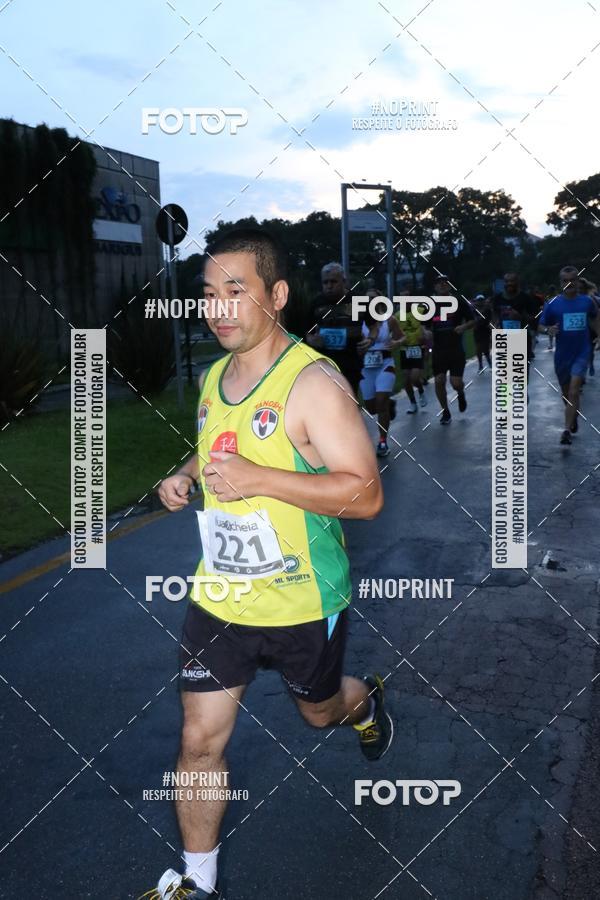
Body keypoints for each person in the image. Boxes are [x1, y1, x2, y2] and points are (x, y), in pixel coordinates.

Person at [153, 228, 391, 900]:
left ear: (276, 296)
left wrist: (261, 478)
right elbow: (217, 446)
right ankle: (197, 883)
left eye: (237, 291)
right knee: (199, 740)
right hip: (221, 598)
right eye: (208, 293)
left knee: (319, 715)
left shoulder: (314, 384)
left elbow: (366, 493)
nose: (219, 307)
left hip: (302, 601)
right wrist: (185, 473)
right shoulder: (212, 377)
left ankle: (366, 700)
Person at [539, 265, 600, 445]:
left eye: (572, 280)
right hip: (562, 356)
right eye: (565, 281)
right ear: (560, 283)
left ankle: (565, 430)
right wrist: (547, 329)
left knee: (574, 390)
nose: (569, 284)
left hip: (582, 352)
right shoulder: (552, 304)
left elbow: (596, 317)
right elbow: (540, 325)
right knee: (567, 394)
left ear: (577, 281)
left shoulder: (587, 302)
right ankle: (572, 417)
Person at [305, 262, 364, 395]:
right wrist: (311, 340)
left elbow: (374, 326)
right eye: (325, 282)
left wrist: (370, 339)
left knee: (348, 400)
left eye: (333, 281)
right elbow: (307, 331)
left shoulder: (357, 301)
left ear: (344, 281)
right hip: (325, 363)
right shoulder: (316, 303)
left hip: (351, 363)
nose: (329, 286)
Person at [357, 307, 405, 456]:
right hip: (366, 368)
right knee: (372, 408)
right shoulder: (358, 321)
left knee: (381, 400)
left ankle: (382, 441)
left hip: (385, 364)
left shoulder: (389, 320)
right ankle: (389, 404)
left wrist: (397, 343)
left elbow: (402, 337)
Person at [429, 274, 475, 424]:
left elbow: (472, 320)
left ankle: (460, 393)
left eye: (445, 282)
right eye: (439, 283)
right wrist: (425, 332)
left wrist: (463, 326)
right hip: (438, 349)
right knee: (439, 380)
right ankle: (445, 412)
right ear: (435, 287)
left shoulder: (459, 302)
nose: (442, 285)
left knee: (455, 383)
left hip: (455, 348)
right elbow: (424, 325)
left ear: (449, 286)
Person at [490, 273, 538, 373]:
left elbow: (534, 318)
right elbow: (494, 314)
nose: (509, 283)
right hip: (503, 340)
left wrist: (520, 317)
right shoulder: (498, 298)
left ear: (517, 282)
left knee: (520, 375)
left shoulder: (525, 298)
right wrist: (495, 324)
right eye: (507, 281)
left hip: (522, 339)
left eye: (512, 281)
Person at [397, 300, 428, 412]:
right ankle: (413, 403)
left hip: (417, 348)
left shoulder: (421, 311)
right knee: (406, 380)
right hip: (404, 350)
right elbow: (395, 332)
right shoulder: (397, 316)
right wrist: (398, 340)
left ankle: (420, 391)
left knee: (414, 378)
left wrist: (424, 335)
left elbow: (427, 326)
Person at [578, 277, 599, 376]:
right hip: (578, 331)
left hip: (590, 330)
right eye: (578, 288)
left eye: (581, 288)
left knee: (590, 351)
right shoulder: (572, 300)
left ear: (585, 289)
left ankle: (590, 364)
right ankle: (581, 375)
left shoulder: (592, 299)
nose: (579, 290)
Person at [472, 294, 492, 371]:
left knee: (486, 348)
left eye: (481, 300)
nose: (480, 302)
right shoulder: (474, 310)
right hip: (477, 330)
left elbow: (488, 320)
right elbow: (473, 319)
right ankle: (480, 365)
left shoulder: (487, 310)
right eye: (479, 300)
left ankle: (489, 362)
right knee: (478, 348)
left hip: (485, 330)